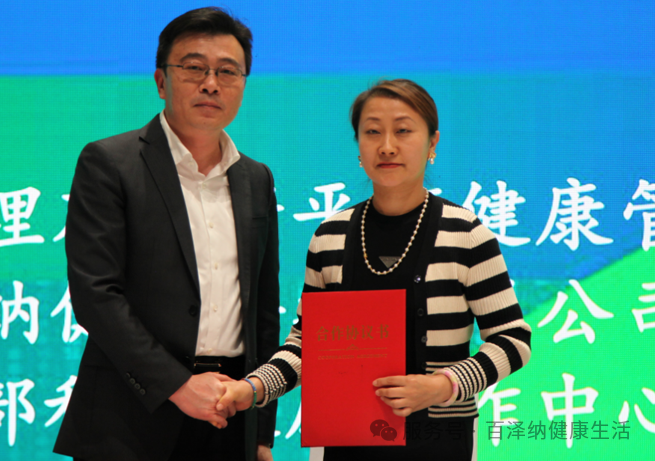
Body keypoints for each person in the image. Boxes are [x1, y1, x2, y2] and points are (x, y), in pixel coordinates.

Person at [218, 79, 532, 460]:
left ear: (432, 143)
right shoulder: (330, 236)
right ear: (358, 147)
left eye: (403, 131)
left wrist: (442, 385)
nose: (387, 146)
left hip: (439, 442)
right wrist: (253, 388)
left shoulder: (466, 234)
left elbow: (512, 339)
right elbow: (306, 346)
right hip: (346, 439)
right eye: (372, 132)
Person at [53, 7, 279, 461]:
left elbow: (261, 310)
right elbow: (97, 296)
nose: (211, 84)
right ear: (161, 81)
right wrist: (177, 385)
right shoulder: (110, 164)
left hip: (229, 414)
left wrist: (260, 433)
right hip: (130, 419)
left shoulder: (256, 179)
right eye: (194, 68)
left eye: (227, 72)